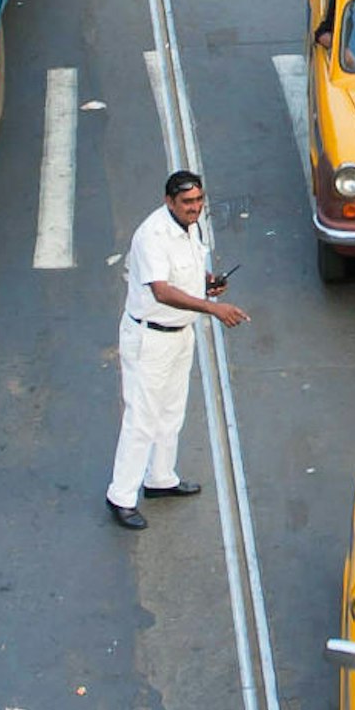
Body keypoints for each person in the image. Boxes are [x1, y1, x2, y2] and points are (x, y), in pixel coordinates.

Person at [107, 171, 245, 530]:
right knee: (142, 418)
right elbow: (162, 291)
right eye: (187, 203)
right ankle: (121, 496)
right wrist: (213, 308)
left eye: (199, 201)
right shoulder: (152, 235)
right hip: (150, 337)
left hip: (180, 331)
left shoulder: (190, 226)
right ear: (169, 201)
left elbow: (190, 267)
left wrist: (207, 282)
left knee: (171, 410)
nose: (195, 208)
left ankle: (160, 477)